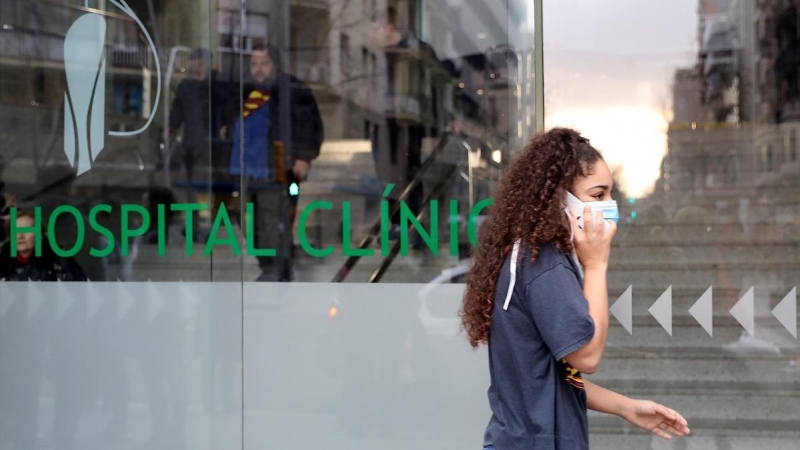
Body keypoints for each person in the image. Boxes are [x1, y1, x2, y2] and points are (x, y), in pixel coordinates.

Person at [460, 128, 691, 449]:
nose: (610, 205)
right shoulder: (545, 264)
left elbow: (554, 374)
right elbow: (587, 356)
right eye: (598, 195)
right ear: (560, 200)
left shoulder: (531, 256)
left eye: (611, 194)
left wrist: (625, 407)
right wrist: (597, 265)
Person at [223, 43, 324, 281]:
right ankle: (272, 268)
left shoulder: (292, 89)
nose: (258, 69)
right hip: (244, 169)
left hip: (280, 168)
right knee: (247, 222)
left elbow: (310, 125)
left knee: (274, 221)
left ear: (275, 64)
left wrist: (303, 157)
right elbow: (230, 120)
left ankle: (276, 270)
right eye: (254, 64)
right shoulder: (245, 91)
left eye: (264, 64)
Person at [368, 7, 446, 246]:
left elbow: (439, 85)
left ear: (388, 28)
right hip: (383, 120)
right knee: (386, 174)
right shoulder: (380, 55)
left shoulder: (417, 51)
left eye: (375, 29)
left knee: (409, 171)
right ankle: (394, 222)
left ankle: (411, 225)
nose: (372, 35)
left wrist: (438, 123)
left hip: (410, 121)